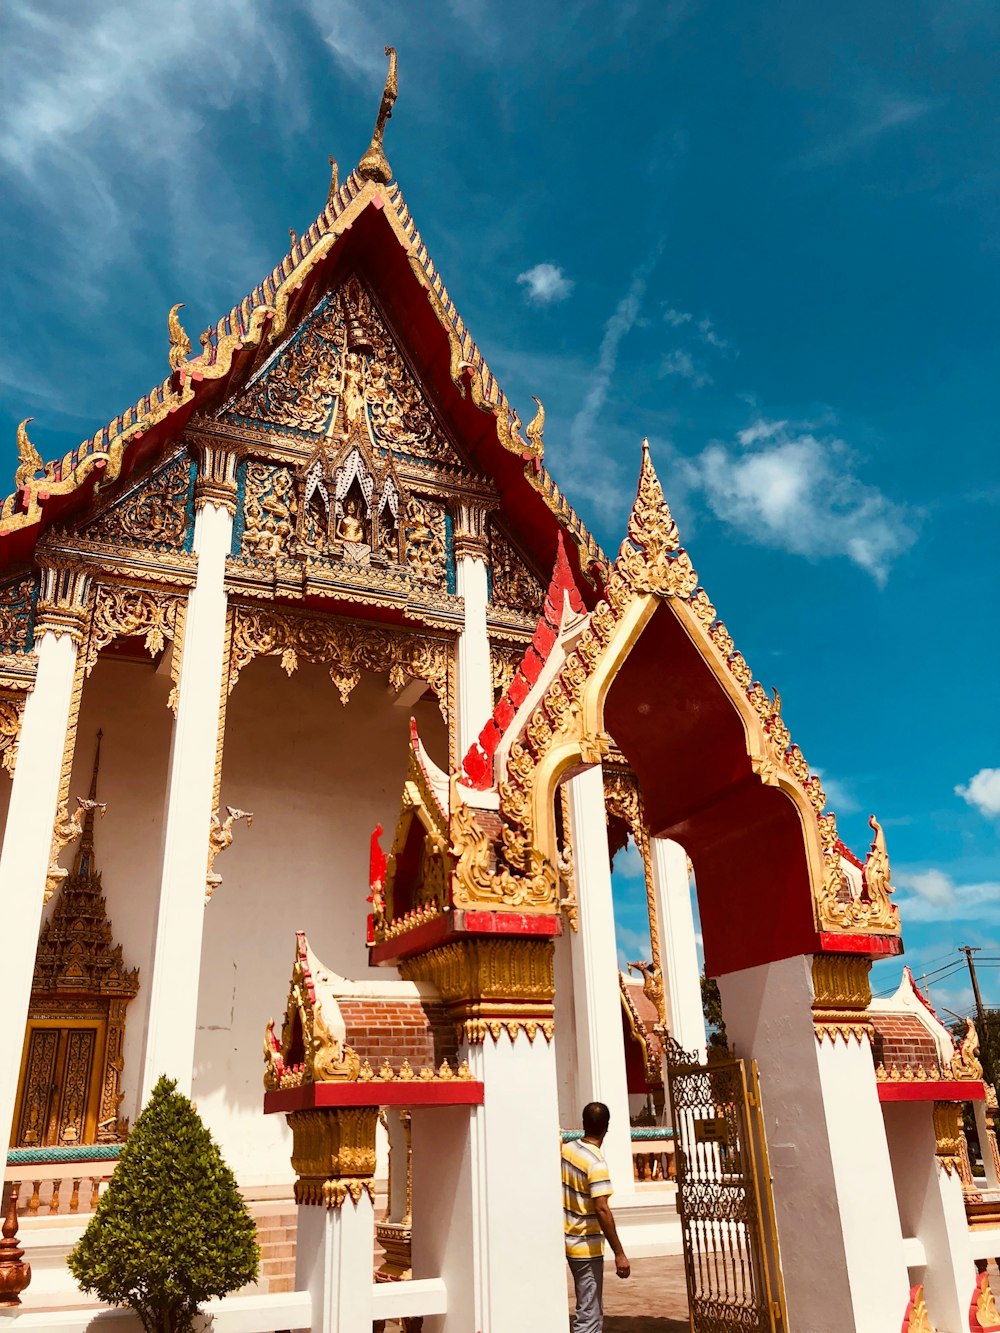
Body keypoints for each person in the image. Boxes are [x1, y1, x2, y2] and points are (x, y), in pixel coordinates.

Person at [561, 1101, 630, 1332]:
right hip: (585, 1245)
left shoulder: (567, 1150)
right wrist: (619, 1253)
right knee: (589, 1316)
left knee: (587, 1308)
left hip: (567, 1237)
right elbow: (602, 1209)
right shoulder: (596, 1163)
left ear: (583, 1124)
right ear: (606, 1127)